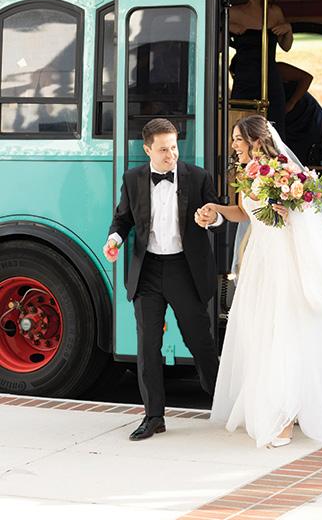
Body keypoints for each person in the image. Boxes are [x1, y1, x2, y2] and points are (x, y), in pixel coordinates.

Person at [200, 115, 322, 448]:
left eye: (238, 139)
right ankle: (271, 409)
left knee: (282, 335)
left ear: (256, 141)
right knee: (258, 335)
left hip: (283, 262)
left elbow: (307, 214)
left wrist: (292, 214)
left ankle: (284, 419)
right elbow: (245, 213)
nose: (233, 145)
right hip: (259, 261)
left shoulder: (285, 171)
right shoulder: (246, 173)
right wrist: (217, 209)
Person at [103, 118, 222, 441]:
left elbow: (218, 215)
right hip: (148, 271)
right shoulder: (132, 179)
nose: (171, 155)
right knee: (148, 346)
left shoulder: (198, 177)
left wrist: (212, 217)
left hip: (185, 269)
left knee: (199, 341)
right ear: (147, 150)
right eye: (163, 150)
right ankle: (153, 416)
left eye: (174, 147)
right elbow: (122, 220)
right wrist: (114, 240)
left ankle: (221, 403)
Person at [229, 0, 293, 139]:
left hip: (271, 79)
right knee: (242, 127)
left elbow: (286, 46)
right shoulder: (234, 13)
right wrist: (225, 26)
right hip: (245, 79)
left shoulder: (275, 12)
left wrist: (288, 29)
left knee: (274, 129)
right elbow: (217, 46)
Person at [277, 62, 322, 164]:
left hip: (306, 114)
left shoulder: (276, 68)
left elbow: (307, 78)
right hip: (288, 118)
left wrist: (291, 103)